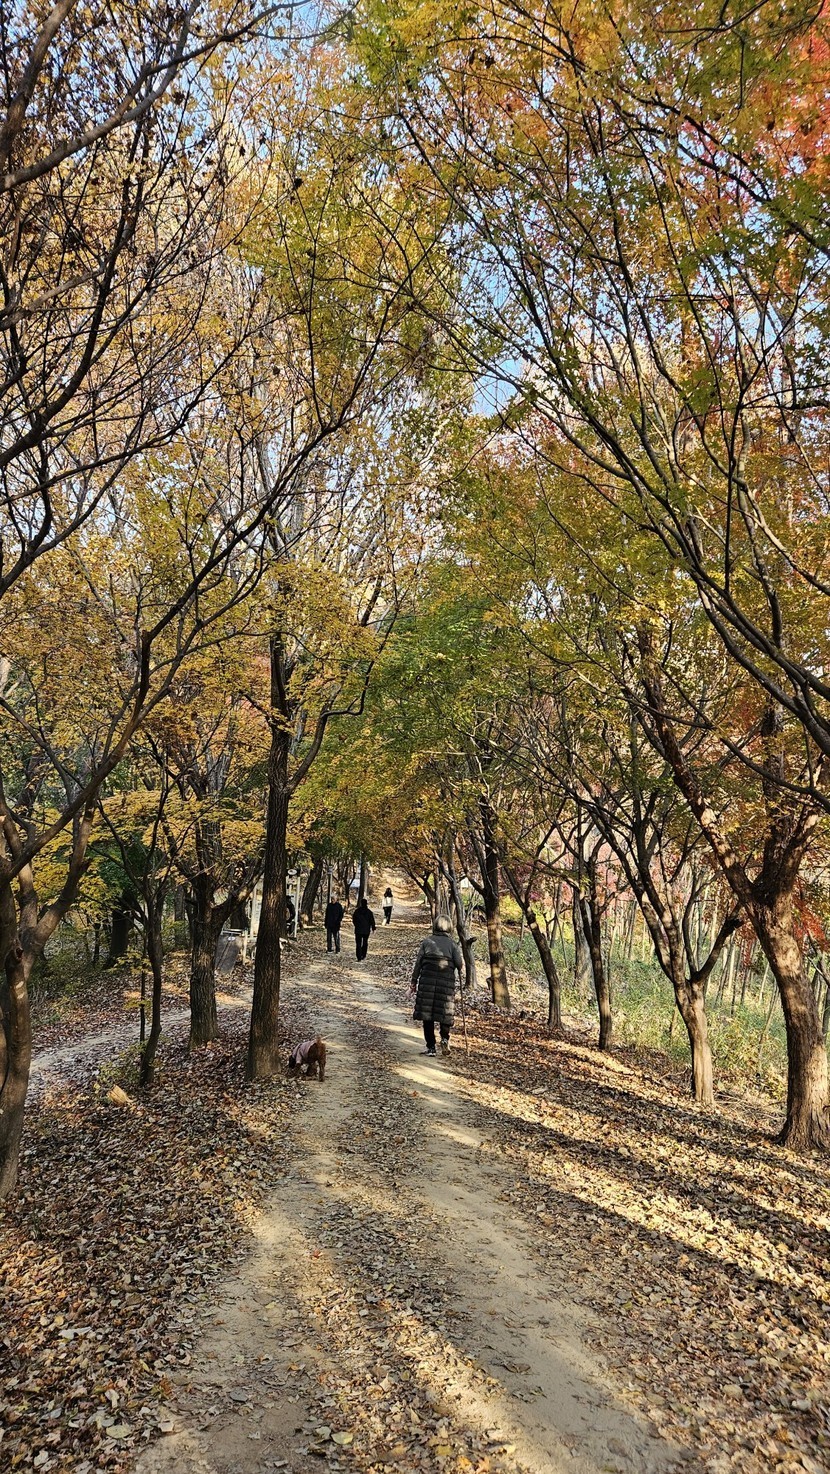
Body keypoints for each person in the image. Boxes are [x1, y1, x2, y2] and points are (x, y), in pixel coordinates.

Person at [410, 914, 463, 1057]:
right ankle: (445, 1039)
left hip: (427, 983)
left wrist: (414, 981)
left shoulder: (427, 942)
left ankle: (431, 1047)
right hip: (445, 984)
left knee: (427, 1015)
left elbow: (418, 963)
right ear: (449, 927)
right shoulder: (452, 944)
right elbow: (459, 964)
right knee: (445, 1012)